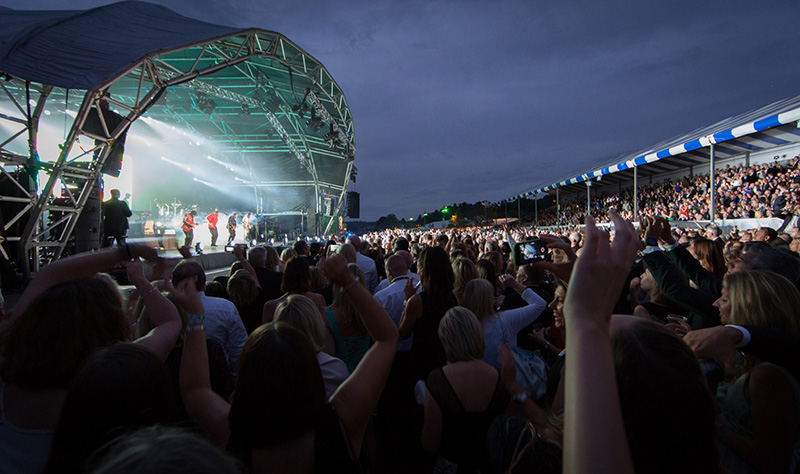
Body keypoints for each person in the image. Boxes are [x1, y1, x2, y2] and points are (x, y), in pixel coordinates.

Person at [178, 254, 398, 473]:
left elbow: (195, 389)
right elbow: (387, 339)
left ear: (249, 375)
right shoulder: (340, 426)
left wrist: (195, 316)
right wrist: (348, 282)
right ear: (311, 367)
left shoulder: (234, 433)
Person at [421, 307, 510, 473]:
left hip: (453, 465)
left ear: (446, 340)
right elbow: (508, 430)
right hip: (491, 465)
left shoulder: (438, 380)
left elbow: (430, 444)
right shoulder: (500, 378)